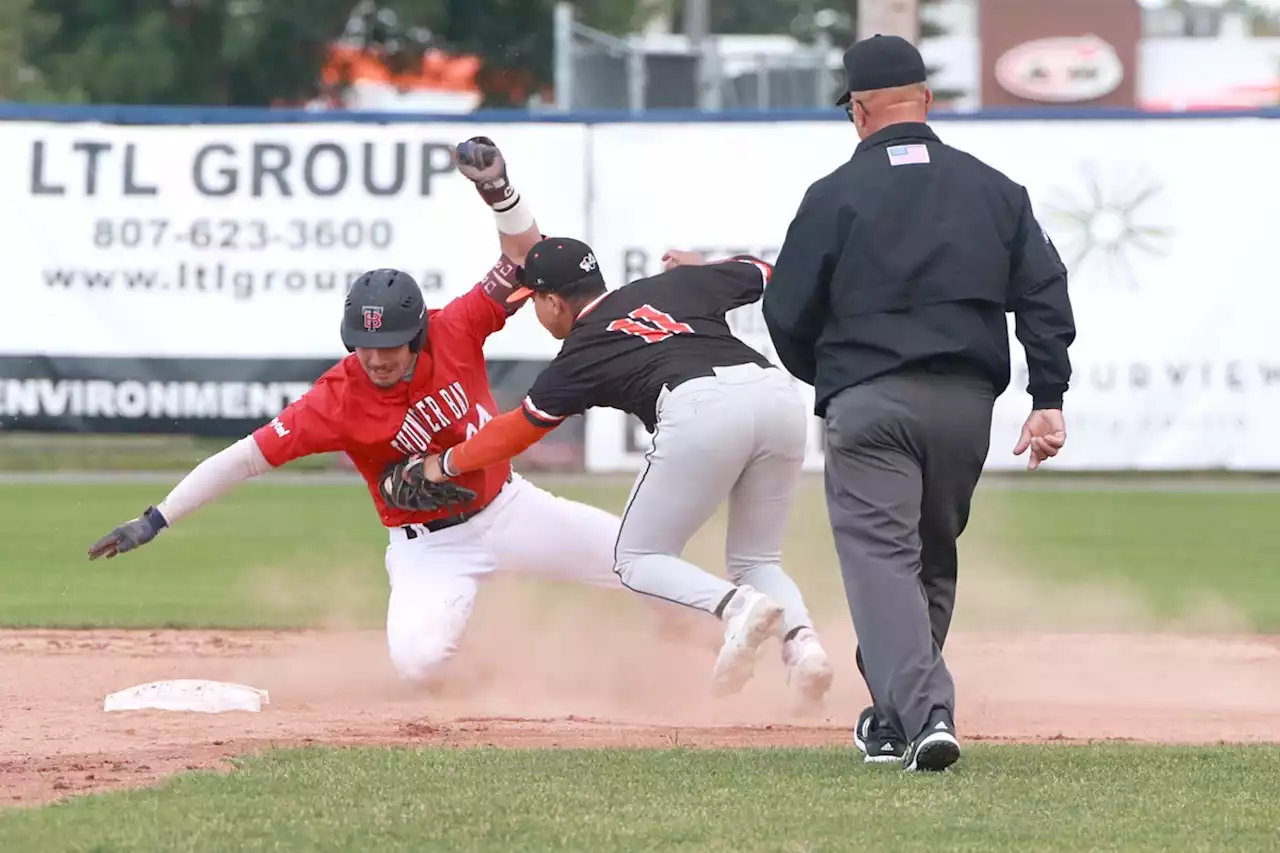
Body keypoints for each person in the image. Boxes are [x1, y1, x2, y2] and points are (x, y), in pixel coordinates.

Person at [85, 138, 633, 688]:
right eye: (363, 345)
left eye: (391, 344)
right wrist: (157, 518)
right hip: (430, 547)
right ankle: (498, 684)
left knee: (636, 559)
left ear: (418, 333)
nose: (376, 358)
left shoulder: (456, 328)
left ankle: (713, 636)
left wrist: (497, 190)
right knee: (419, 664)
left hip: (510, 507)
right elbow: (244, 459)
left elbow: (523, 259)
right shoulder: (335, 398)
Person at [761, 35, 1076, 770]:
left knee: (882, 563)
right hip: (965, 408)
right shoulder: (995, 189)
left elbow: (786, 311)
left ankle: (930, 710)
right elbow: (1043, 293)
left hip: (870, 404)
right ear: (926, 100)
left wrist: (832, 379)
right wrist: (1048, 393)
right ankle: (892, 718)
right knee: (927, 561)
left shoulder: (834, 194)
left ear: (858, 111)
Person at [411, 238, 837, 713]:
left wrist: (445, 463)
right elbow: (764, 271)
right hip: (778, 398)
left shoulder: (584, 347)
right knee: (758, 558)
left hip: (701, 407)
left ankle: (736, 607)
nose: (535, 310)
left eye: (532, 300)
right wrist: (704, 268)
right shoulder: (675, 284)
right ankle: (804, 649)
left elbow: (519, 429)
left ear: (553, 302)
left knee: (635, 558)